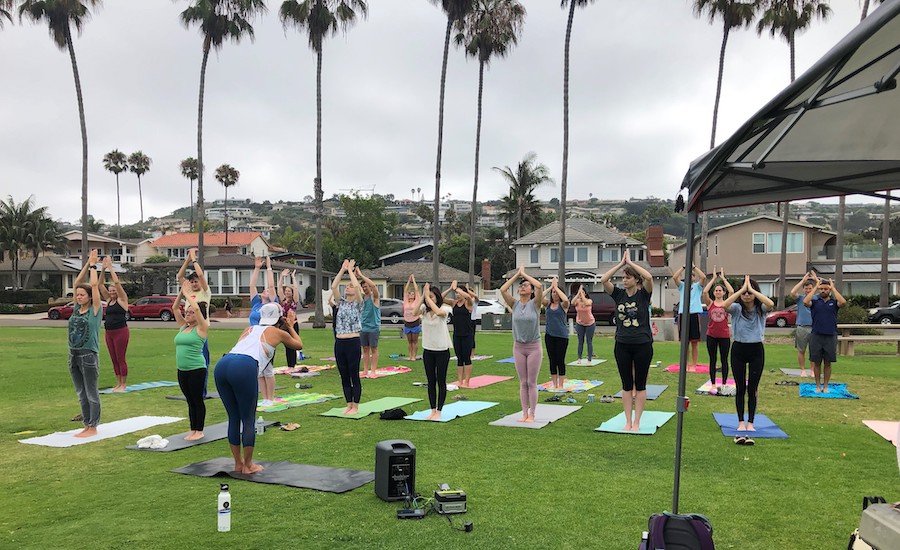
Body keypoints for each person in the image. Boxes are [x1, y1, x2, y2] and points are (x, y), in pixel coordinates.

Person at [214, 302, 302, 474]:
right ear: (279, 318)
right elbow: (299, 345)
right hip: (244, 366)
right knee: (248, 419)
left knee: (234, 418)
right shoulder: (277, 332)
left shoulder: (249, 329)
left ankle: (238, 464)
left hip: (223, 364)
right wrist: (290, 327)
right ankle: (248, 466)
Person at [599, 254, 654, 432]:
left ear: (636, 280)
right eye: (623, 277)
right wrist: (620, 264)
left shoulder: (644, 295)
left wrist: (631, 263)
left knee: (640, 384)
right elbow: (604, 279)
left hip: (643, 344)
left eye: (627, 277)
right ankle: (627, 421)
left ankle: (637, 421)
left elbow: (649, 278)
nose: (624, 280)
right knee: (626, 385)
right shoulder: (618, 294)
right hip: (622, 344)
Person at [721, 276, 774, 440]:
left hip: (756, 349)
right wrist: (741, 290)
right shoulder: (736, 308)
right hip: (738, 349)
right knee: (740, 388)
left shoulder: (761, 309)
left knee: (752, 389)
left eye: (749, 293)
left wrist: (752, 290)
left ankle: (751, 422)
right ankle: (741, 421)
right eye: (744, 293)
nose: (746, 295)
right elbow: (724, 305)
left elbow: (771, 304)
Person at [500, 265, 543, 423]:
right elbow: (503, 290)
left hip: (534, 347)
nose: (522, 286)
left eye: (526, 285)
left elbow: (539, 286)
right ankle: (524, 413)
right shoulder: (515, 304)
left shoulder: (535, 304)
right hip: (518, 346)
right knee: (523, 382)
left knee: (531, 382)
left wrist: (525, 274)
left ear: (531, 290)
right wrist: (517, 275)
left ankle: (532, 414)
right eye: (521, 285)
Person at [69, 249, 103, 438]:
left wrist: (93, 265)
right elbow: (76, 283)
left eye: (82, 295)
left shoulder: (95, 311)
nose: (79, 297)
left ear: (89, 297)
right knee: (81, 393)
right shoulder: (76, 309)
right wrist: (86, 264)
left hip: (88, 354)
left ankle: (93, 425)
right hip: (73, 353)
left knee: (91, 392)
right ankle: (86, 423)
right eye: (78, 295)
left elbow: (94, 286)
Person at [173, 279, 210, 441]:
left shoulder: (202, 328)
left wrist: (189, 295)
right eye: (186, 312)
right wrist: (182, 291)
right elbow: (175, 308)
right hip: (182, 370)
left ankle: (199, 430)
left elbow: (195, 307)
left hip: (196, 369)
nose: (187, 314)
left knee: (197, 400)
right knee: (189, 401)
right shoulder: (183, 327)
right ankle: (192, 429)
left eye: (190, 313)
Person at [177, 248, 212, 396]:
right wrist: (187, 259)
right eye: (192, 282)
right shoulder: (188, 293)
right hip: (188, 329)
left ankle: (201, 391)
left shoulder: (205, 292)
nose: (194, 283)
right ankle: (193, 390)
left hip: (201, 331)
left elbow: (201, 275)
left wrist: (194, 259)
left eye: (196, 281)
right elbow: (179, 276)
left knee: (202, 361)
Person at [804, 273, 846, 393]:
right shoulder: (815, 302)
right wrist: (816, 287)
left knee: (828, 363)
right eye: (821, 289)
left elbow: (843, 302)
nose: (823, 291)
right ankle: (818, 386)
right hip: (816, 335)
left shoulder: (834, 303)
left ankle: (826, 386)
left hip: (830, 335)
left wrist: (833, 288)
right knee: (816, 363)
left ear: (829, 290)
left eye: (825, 289)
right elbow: (806, 302)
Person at [332, 259, 364, 415]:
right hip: (340, 342)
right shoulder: (341, 303)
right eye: (347, 286)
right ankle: (349, 404)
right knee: (343, 374)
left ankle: (356, 406)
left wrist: (351, 271)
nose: (348, 287)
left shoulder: (358, 303)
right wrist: (342, 269)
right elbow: (333, 286)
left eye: (349, 285)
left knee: (353, 374)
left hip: (353, 341)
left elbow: (357, 287)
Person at [248, 256, 278, 406]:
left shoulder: (272, 304)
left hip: (267, 338)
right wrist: (256, 268)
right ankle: (264, 398)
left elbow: (272, 286)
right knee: (259, 370)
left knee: (268, 369)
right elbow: (252, 286)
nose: (264, 291)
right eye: (264, 290)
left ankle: (270, 398)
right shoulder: (256, 304)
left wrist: (268, 267)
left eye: (266, 290)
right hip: (253, 339)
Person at [700, 266, 735, 395]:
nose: (718, 292)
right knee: (713, 360)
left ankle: (724, 383)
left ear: (723, 293)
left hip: (724, 336)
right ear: (714, 293)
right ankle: (713, 383)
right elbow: (704, 292)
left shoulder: (727, 303)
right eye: (716, 290)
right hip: (712, 335)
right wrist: (714, 279)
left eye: (720, 290)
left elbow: (732, 292)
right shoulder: (710, 304)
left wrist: (724, 279)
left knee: (724, 360)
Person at [99, 256, 130, 392]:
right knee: (113, 358)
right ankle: (117, 383)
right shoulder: (108, 300)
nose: (112, 292)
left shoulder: (122, 299)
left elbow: (117, 283)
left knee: (120, 357)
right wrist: (103, 269)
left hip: (120, 331)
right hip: (109, 332)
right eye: (110, 290)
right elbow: (100, 285)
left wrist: (111, 268)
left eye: (114, 290)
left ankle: (123, 384)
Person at [421, 282, 451, 420]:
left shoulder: (445, 308)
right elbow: (413, 312)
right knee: (431, 381)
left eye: (432, 297)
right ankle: (432, 409)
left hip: (442, 350)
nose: (429, 299)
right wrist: (423, 296)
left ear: (437, 298)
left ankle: (439, 410)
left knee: (441, 380)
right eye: (429, 297)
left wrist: (428, 298)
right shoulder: (424, 310)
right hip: (428, 350)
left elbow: (438, 312)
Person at [672, 265, 707, 371]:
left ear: (694, 278)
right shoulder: (682, 286)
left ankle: (694, 364)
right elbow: (674, 277)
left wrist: (694, 268)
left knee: (694, 342)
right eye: (688, 276)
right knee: (685, 342)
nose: (690, 277)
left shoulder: (697, 286)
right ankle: (686, 364)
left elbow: (704, 277)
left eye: (692, 276)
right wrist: (683, 268)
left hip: (694, 314)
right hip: (684, 314)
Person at [444, 281, 474, 387]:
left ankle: (467, 381)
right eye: (456, 293)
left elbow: (469, 297)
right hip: (457, 334)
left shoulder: (468, 303)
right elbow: (441, 298)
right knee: (459, 359)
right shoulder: (454, 303)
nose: (457, 295)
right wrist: (451, 288)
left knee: (467, 358)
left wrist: (458, 289)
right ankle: (460, 381)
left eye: (459, 293)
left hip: (467, 335)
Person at [543, 277, 571, 390]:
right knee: (552, 360)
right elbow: (538, 297)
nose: (554, 294)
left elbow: (566, 300)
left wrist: (556, 287)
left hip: (562, 337)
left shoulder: (563, 306)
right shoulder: (548, 305)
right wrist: (550, 287)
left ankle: (561, 384)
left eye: (556, 292)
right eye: (553, 292)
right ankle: (554, 384)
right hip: (549, 336)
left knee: (560, 360)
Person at [790, 272, 816, 378]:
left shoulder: (817, 297)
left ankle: (812, 370)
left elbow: (826, 291)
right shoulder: (800, 298)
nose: (808, 290)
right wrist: (802, 281)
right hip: (802, 327)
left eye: (810, 288)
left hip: (814, 328)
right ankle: (802, 370)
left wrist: (816, 280)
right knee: (801, 350)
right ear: (804, 289)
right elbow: (792, 292)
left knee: (814, 351)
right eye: (806, 288)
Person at [356, 267, 381, 378]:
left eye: (366, 286)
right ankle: (365, 370)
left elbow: (374, 286)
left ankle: (373, 370)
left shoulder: (374, 297)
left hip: (373, 328)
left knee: (374, 349)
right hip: (364, 328)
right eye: (363, 287)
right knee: (365, 349)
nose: (365, 288)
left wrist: (361, 275)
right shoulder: (362, 298)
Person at [278, 268, 302, 369]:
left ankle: (293, 364)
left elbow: (296, 289)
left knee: (293, 344)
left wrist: (293, 278)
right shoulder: (283, 300)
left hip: (293, 325)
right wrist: (282, 277)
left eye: (289, 291)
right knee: (287, 345)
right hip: (284, 325)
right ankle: (290, 365)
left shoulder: (294, 301)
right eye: (286, 291)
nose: (287, 292)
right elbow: (279, 288)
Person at [571, 285, 595, 364]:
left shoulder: (589, 300)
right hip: (580, 323)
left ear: (585, 294)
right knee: (580, 341)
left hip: (590, 323)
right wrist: (578, 293)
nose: (581, 294)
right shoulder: (577, 301)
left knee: (589, 341)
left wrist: (582, 294)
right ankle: (579, 358)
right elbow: (572, 302)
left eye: (583, 292)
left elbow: (586, 303)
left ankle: (589, 359)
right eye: (580, 292)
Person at [403, 274, 422, 361]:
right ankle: (410, 355)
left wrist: (413, 280)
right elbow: (405, 290)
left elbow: (417, 290)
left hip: (415, 322)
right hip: (407, 323)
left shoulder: (416, 301)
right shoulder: (406, 301)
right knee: (409, 341)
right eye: (410, 294)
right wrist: (408, 280)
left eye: (412, 294)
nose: (411, 295)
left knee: (415, 341)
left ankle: (414, 356)